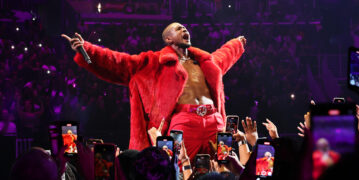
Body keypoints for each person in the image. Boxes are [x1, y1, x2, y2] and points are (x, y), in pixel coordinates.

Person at [61, 22, 246, 161]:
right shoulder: (153, 63)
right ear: (168, 39)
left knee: (223, 166)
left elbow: (225, 55)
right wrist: (87, 49)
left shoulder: (206, 62)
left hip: (215, 121)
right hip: (184, 122)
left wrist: (237, 44)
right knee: (178, 168)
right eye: (179, 28)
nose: (184, 30)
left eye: (185, 28)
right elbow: (118, 61)